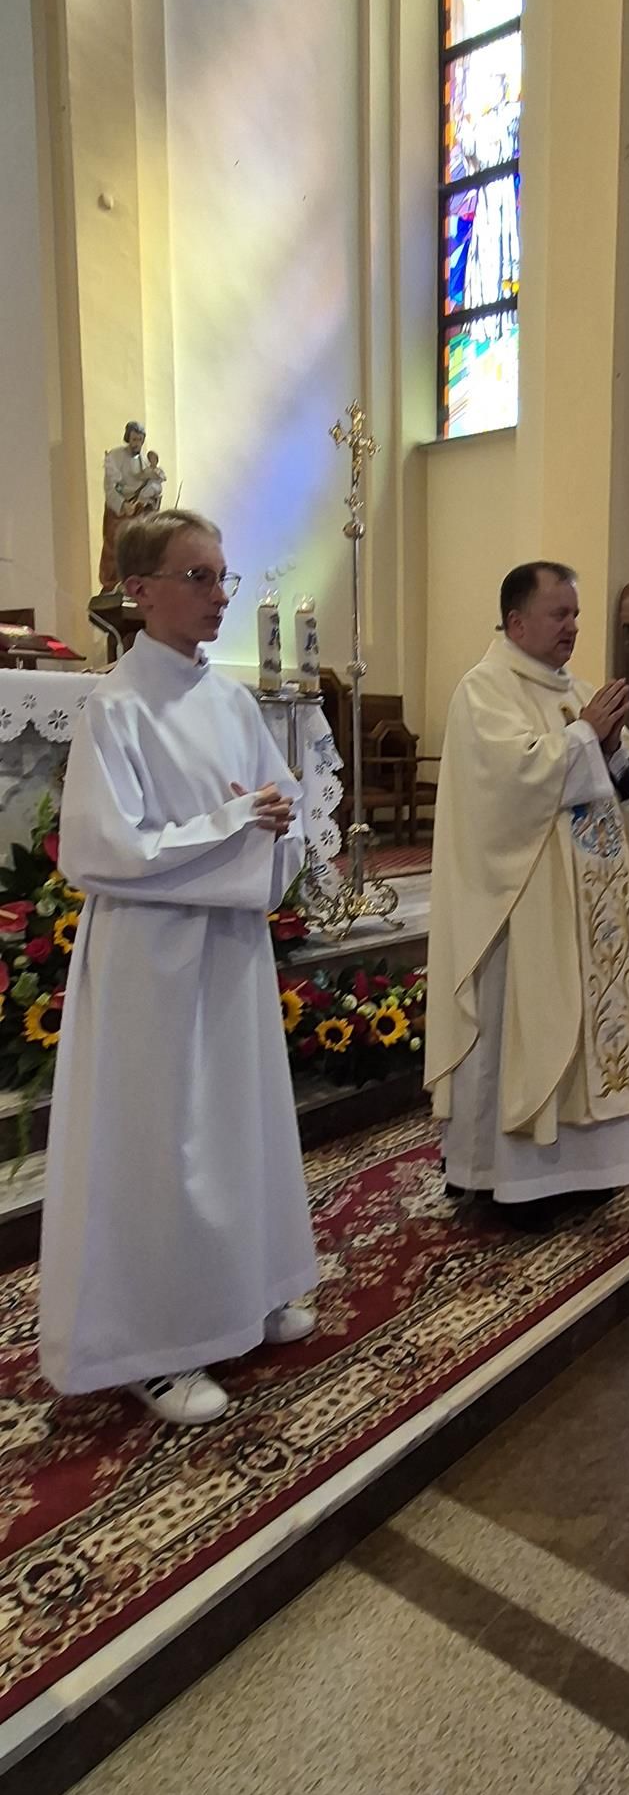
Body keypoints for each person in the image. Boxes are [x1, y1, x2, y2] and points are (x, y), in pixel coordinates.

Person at [39, 512, 318, 1426]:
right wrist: (235, 825)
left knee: (236, 1124)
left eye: (222, 576)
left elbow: (281, 807)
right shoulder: (114, 708)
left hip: (226, 950)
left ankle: (245, 1291)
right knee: (160, 1144)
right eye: (198, 577)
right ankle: (150, 1347)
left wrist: (272, 824)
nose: (218, 596)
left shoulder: (232, 703)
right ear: (139, 591)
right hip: (150, 960)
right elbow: (101, 850)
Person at [425, 560, 629, 1206]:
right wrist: (586, 736)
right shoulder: (485, 690)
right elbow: (509, 784)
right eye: (559, 613)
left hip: (589, 909)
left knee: (588, 1029)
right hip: (521, 909)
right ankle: (510, 1179)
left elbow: (627, 781)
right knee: (523, 1030)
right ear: (516, 621)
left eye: (575, 614)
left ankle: (589, 1171)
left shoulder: (576, 689)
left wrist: (608, 750)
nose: (572, 626)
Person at [98, 422, 160, 593]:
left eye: (139, 440)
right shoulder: (115, 457)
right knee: (115, 546)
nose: (136, 444)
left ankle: (132, 584)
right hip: (119, 512)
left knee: (138, 547)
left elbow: (152, 486)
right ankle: (112, 585)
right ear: (128, 438)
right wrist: (122, 505)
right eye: (133, 439)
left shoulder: (145, 462)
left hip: (138, 510)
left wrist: (149, 500)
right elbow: (110, 487)